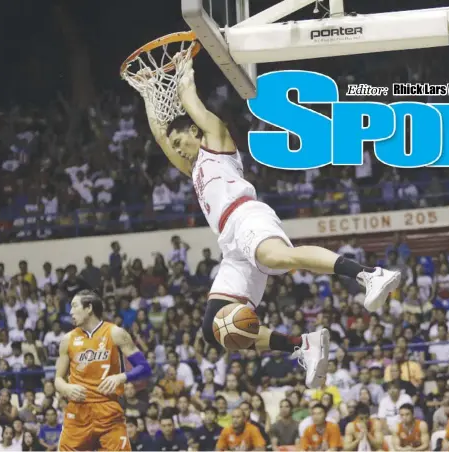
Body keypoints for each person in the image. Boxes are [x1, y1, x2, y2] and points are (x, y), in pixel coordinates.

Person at [136, 53, 401, 388]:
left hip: (246, 215)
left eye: (181, 141)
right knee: (213, 328)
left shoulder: (216, 139)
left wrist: (184, 70)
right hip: (230, 244)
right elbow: (162, 138)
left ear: (194, 131)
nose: (179, 149)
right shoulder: (193, 169)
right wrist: (148, 94)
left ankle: (368, 275)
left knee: (276, 257)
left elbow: (192, 104)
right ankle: (302, 345)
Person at [54, 290, 152, 450]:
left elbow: (144, 368)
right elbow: (58, 379)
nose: (70, 312)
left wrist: (121, 377)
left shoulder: (115, 333)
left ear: (89, 308)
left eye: (74, 306)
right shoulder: (67, 339)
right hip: (78, 410)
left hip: (109, 408)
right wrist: (66, 388)